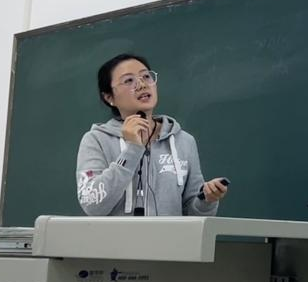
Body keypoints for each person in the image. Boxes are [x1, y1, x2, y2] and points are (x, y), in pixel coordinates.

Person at [76, 53, 228, 216]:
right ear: (109, 97)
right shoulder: (96, 140)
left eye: (146, 76)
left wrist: (206, 200)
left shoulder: (184, 141)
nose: (142, 85)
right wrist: (132, 150)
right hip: (116, 234)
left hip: (170, 234)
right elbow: (92, 205)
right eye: (129, 80)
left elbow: (193, 214)